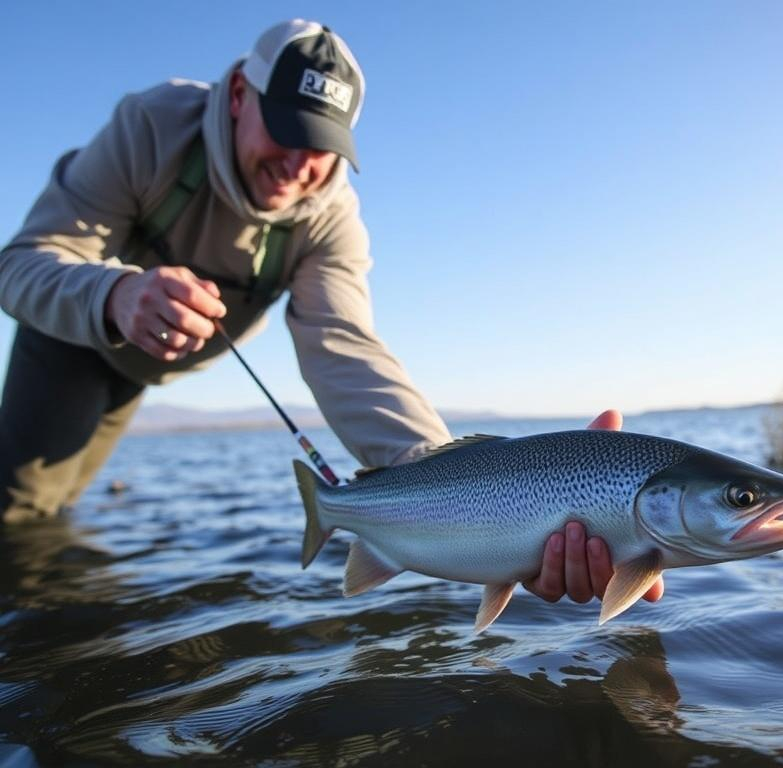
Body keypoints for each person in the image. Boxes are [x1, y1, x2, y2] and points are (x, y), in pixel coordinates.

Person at [0, 19, 662, 606]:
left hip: (147, 375)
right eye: (285, 131)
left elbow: (343, 348)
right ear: (237, 98)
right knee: (20, 509)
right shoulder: (150, 130)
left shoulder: (329, 217)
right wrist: (113, 296)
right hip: (71, 338)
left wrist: (432, 469)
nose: (296, 163)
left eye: (318, 143)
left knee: (59, 512)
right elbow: (22, 264)